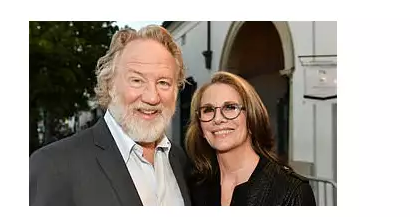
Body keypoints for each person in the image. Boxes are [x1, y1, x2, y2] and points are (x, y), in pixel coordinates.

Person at [29, 25, 192, 206]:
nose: (152, 97)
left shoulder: (180, 161)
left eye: (163, 82)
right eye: (137, 80)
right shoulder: (54, 166)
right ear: (110, 86)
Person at [185, 71, 316, 206]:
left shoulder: (292, 191)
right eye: (208, 110)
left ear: (252, 118)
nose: (217, 119)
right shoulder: (193, 187)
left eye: (230, 107)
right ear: (200, 126)